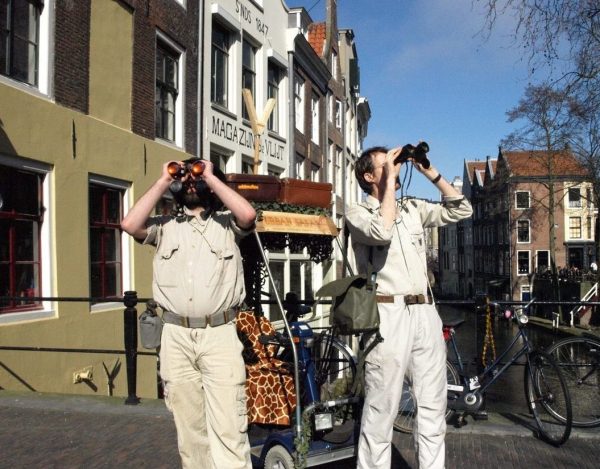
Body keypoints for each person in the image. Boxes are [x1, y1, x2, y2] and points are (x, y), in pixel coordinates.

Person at [121, 157, 256, 469]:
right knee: (190, 433)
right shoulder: (164, 227)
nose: (192, 183)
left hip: (219, 334)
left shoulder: (227, 225)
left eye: (198, 180)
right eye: (188, 179)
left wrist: (210, 176)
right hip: (176, 337)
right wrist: (164, 180)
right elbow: (129, 224)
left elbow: (248, 214)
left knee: (229, 429)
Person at [346, 146, 472, 469]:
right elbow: (382, 230)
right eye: (383, 164)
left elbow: (462, 210)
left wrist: (429, 170)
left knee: (432, 409)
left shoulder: (412, 208)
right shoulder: (357, 213)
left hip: (425, 313)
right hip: (388, 316)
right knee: (380, 411)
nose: (394, 167)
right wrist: (389, 179)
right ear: (368, 176)